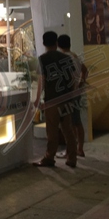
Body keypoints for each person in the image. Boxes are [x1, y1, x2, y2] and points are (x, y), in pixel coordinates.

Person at [33, 31, 77, 168]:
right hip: (67, 99)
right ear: (56, 43)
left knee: (52, 131)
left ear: (43, 43)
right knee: (68, 130)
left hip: (52, 100)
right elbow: (73, 79)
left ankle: (49, 157)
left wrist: (37, 99)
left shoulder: (43, 59)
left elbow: (42, 81)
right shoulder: (66, 58)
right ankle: (72, 158)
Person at [56, 34, 88, 158]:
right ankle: (79, 148)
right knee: (77, 121)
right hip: (77, 93)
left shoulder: (64, 58)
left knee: (69, 124)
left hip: (68, 94)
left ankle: (71, 151)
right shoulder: (75, 56)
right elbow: (85, 70)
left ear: (58, 45)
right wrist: (81, 83)